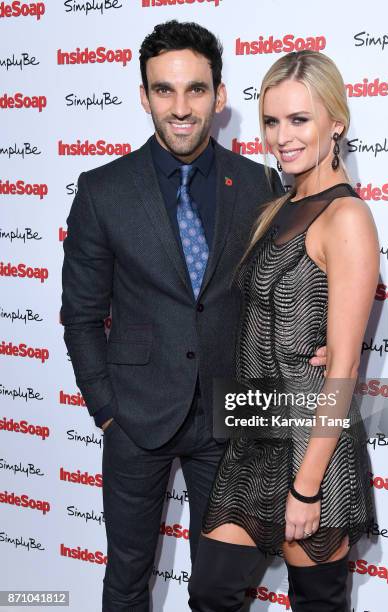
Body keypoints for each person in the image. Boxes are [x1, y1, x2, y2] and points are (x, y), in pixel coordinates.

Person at [60, 21, 328, 611]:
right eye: (164, 90)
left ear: (220, 95)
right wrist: (107, 410)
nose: (180, 108)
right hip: (135, 416)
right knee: (127, 578)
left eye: (196, 90)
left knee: (220, 587)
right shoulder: (103, 190)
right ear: (144, 95)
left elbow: (282, 287)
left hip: (231, 420)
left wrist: (320, 339)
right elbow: (79, 316)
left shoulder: (260, 183)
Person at [188, 50, 379, 612]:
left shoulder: (346, 218)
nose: (282, 137)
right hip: (256, 430)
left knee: (316, 601)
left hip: (308, 443)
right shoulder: (282, 205)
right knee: (212, 591)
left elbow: (342, 367)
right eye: (272, 121)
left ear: (335, 122)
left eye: (300, 120)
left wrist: (307, 485)